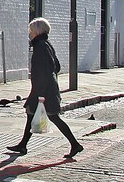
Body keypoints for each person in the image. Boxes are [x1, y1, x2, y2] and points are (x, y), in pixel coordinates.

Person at [8, 17, 84, 159]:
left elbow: (43, 72)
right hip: (46, 88)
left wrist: (41, 95)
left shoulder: (41, 46)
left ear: (37, 31)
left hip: (43, 90)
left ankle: (75, 144)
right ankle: (23, 144)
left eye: (31, 31)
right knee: (30, 113)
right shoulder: (46, 44)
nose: (29, 33)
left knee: (53, 116)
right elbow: (57, 66)